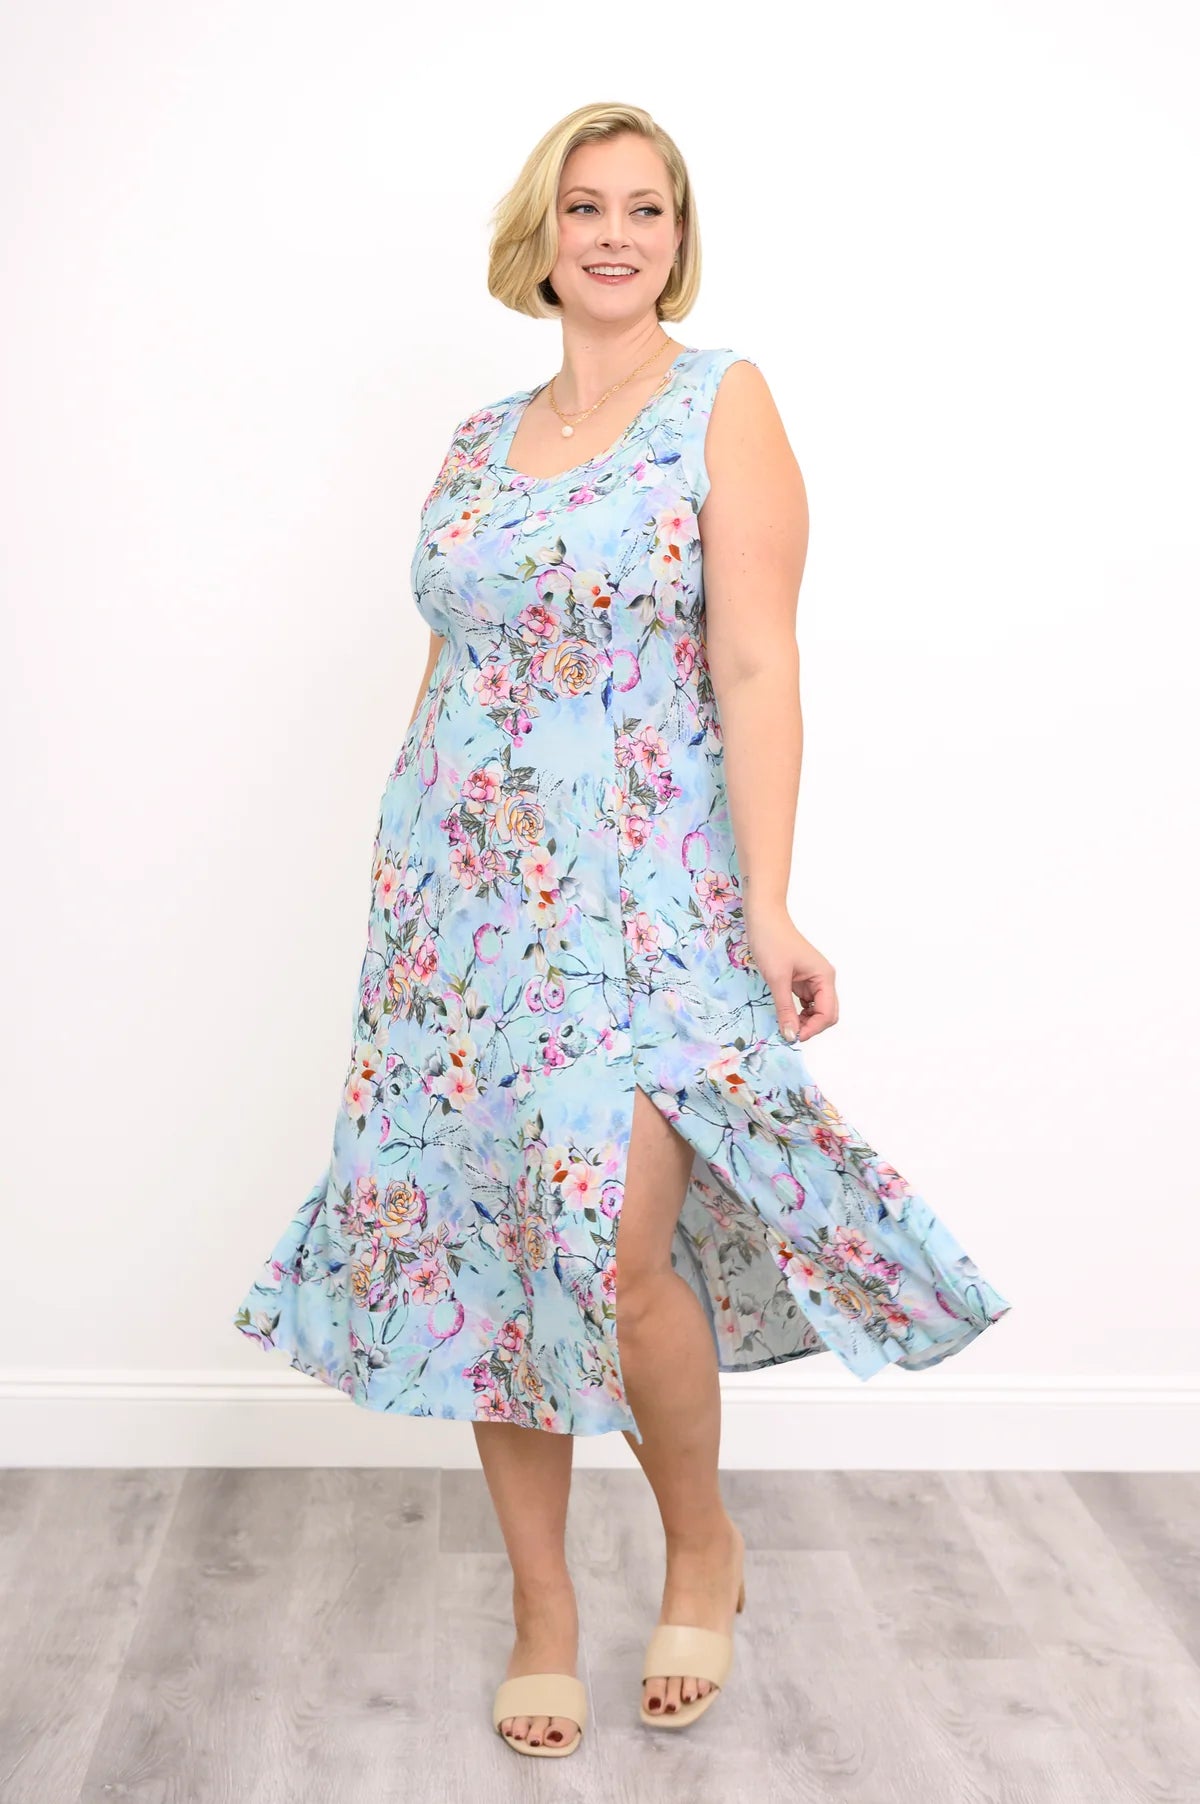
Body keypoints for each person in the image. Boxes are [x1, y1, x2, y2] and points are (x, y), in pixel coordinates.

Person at [232, 101, 1012, 1758]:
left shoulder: (722, 402)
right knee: (492, 1249)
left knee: (621, 1249)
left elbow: (755, 663)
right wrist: (405, 896)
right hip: (456, 911)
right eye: (586, 206)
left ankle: (702, 1546)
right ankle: (543, 1610)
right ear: (542, 232)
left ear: (677, 238)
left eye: (646, 209)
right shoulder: (475, 440)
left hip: (645, 903)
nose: (614, 234)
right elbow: (449, 662)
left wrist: (768, 900)